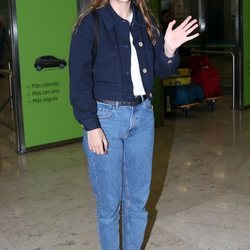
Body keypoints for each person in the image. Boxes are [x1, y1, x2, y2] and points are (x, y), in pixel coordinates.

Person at [69, 0, 199, 249]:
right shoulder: (91, 23)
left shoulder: (145, 21)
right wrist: (91, 125)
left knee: (137, 201)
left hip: (142, 117)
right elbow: (79, 81)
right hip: (106, 119)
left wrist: (169, 50)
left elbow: (160, 70)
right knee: (109, 204)